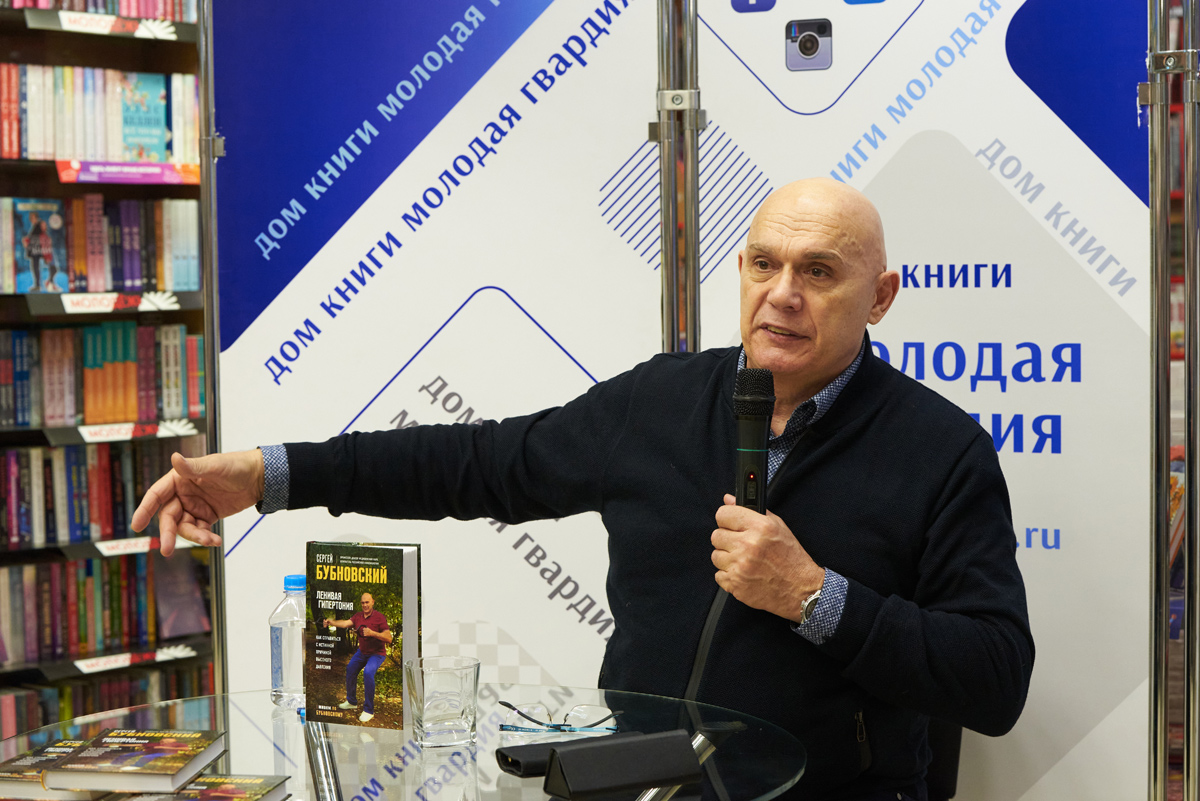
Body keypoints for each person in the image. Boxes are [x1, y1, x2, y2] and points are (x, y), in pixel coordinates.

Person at [132, 178, 1034, 801]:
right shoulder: (662, 399)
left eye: (819, 271)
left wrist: (814, 595)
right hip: (638, 783)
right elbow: (477, 462)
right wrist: (271, 473)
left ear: (881, 296)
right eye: (765, 263)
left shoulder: (941, 448)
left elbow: (995, 679)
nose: (783, 294)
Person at [325, 592, 392, 723]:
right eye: (362, 603)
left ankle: (368, 710)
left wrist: (372, 633)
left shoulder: (379, 617)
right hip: (362, 652)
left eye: (367, 602)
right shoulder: (358, 616)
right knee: (350, 669)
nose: (365, 605)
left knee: (368, 673)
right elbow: (345, 623)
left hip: (377, 654)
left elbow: (388, 638)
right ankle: (351, 701)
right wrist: (331, 622)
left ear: (372, 602)